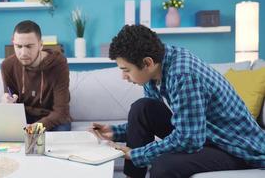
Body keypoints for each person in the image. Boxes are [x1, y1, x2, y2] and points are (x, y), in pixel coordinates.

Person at [91, 25, 265, 178]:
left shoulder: (183, 74)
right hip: (204, 135)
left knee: (163, 165)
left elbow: (189, 139)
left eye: (126, 70)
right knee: (142, 108)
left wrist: (136, 155)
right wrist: (115, 132)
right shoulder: (156, 66)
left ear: (147, 63)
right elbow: (149, 120)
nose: (124, 77)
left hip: (234, 148)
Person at [1, 20, 71, 131]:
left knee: (61, 134)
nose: (23, 53)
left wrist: (36, 128)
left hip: (52, 119)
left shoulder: (59, 64)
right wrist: (6, 104)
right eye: (19, 46)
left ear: (40, 44)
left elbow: (61, 112)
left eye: (29, 46)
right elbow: (12, 107)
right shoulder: (7, 66)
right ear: (13, 43)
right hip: (24, 119)